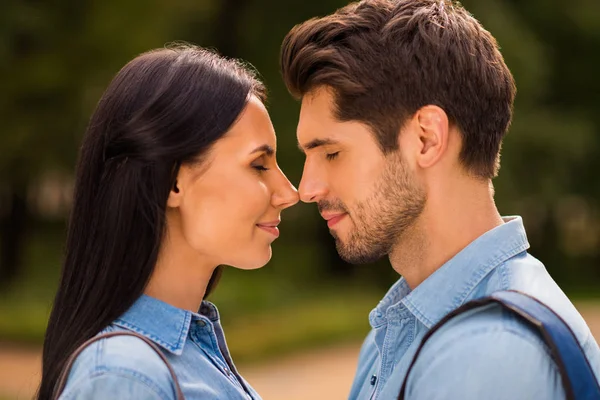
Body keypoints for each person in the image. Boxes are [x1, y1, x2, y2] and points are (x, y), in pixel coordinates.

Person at [280, 0, 600, 399]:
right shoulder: (400, 330)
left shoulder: (487, 353)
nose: (306, 188)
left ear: (426, 139)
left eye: (331, 153)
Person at [37, 44, 298, 400]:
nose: (289, 192)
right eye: (258, 165)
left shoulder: (187, 356)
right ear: (173, 181)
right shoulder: (124, 377)